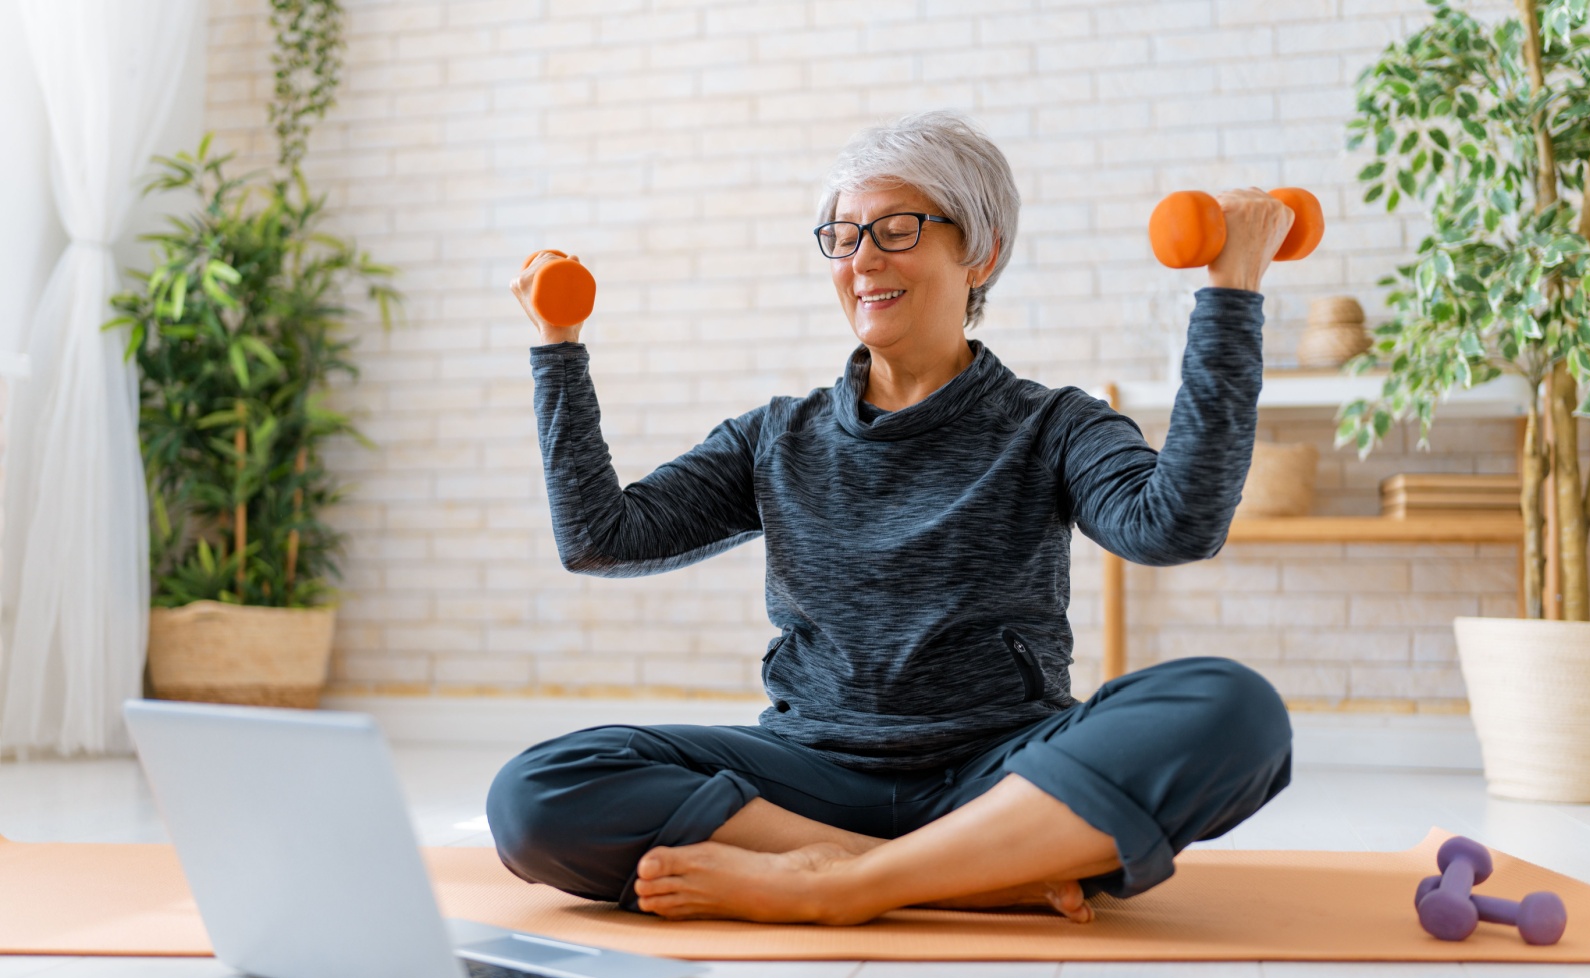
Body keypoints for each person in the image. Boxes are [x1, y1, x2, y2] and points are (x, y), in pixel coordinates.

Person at [493, 111, 1294, 926]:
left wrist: (1230, 294)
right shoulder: (779, 436)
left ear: (977, 251)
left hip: (1001, 774)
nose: (863, 259)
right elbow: (603, 538)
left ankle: (839, 885)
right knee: (536, 793)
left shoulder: (1054, 425)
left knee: (1237, 710)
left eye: (897, 229)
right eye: (842, 237)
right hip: (808, 780)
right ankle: (949, 874)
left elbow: (1175, 525)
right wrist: (559, 347)